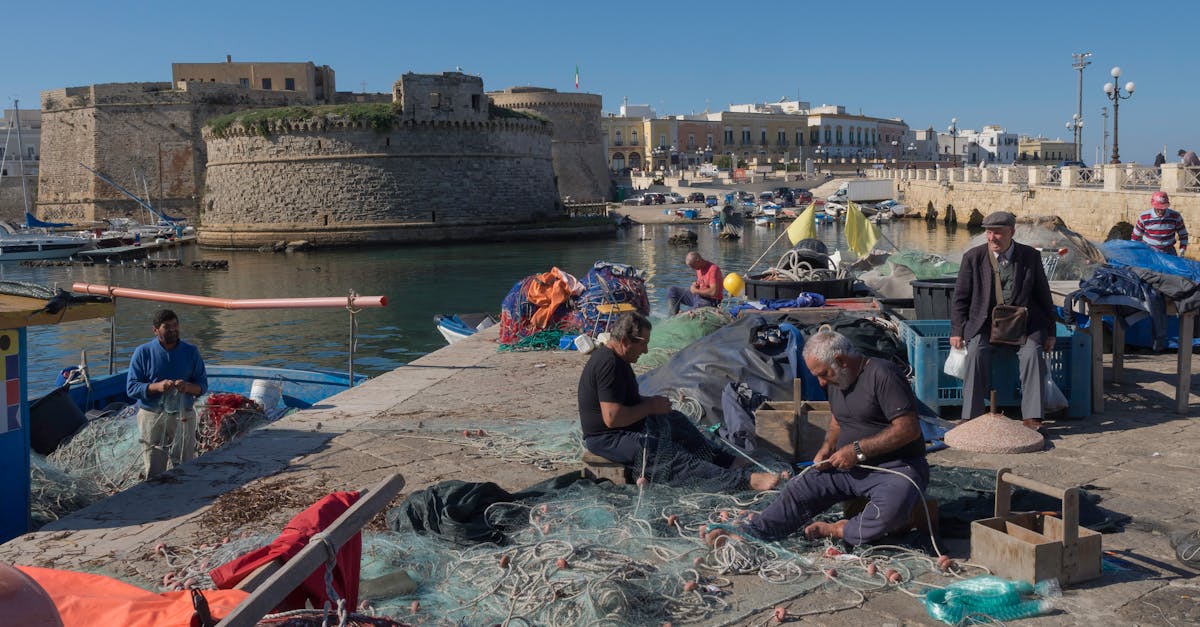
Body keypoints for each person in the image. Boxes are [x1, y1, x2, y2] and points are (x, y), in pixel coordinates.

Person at [705, 329, 928, 545]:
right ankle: (754, 533)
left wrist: (858, 450)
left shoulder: (882, 374)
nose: (821, 382)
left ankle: (839, 529)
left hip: (895, 469)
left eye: (823, 374)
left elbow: (908, 429)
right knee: (798, 489)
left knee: (892, 509)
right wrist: (828, 446)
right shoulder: (837, 381)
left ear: (841, 360)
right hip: (846, 468)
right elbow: (837, 421)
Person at [578, 312, 780, 492]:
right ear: (625, 341)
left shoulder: (620, 360)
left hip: (625, 428)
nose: (646, 351)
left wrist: (654, 403)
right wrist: (650, 406)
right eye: (643, 343)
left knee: (678, 423)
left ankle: (728, 462)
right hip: (608, 439)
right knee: (669, 454)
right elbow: (612, 418)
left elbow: (625, 402)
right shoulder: (608, 364)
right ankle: (745, 481)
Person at [950, 211, 1055, 430]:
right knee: (976, 352)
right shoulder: (973, 257)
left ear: (1012, 233)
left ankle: (1033, 417)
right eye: (989, 233)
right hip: (985, 323)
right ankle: (970, 416)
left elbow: (1044, 296)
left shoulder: (1030, 257)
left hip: (1024, 324)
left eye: (998, 233)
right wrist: (957, 331)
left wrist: (1051, 332)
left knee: (1032, 354)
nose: (992, 238)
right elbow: (960, 298)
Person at [127, 309, 208, 479]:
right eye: (167, 327)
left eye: (175, 325)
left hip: (183, 415)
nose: (173, 329)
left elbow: (202, 387)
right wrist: (157, 387)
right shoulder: (143, 352)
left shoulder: (191, 351)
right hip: (152, 416)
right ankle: (154, 497)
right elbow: (132, 388)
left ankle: (184, 496)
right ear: (155, 330)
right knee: (154, 465)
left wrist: (186, 387)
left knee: (185, 462)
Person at [1132, 191, 1189, 256]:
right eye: (1158, 208)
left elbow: (1183, 235)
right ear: (1153, 205)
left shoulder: (1175, 216)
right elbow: (1135, 236)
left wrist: (1182, 249)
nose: (1160, 210)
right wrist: (1135, 251)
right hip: (1149, 251)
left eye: (1163, 208)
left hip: (1169, 251)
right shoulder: (1144, 217)